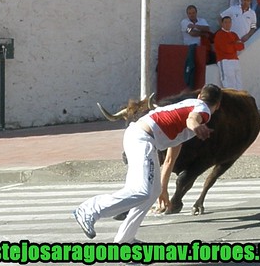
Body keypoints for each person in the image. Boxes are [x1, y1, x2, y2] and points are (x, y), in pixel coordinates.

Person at [73, 84, 222, 243]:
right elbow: (192, 119)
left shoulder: (187, 105)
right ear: (217, 105)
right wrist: (197, 126)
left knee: (151, 193)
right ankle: (89, 209)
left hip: (141, 137)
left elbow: (172, 152)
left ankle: (125, 240)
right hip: (142, 139)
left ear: (199, 95)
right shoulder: (203, 110)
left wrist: (163, 187)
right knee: (142, 191)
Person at [213, 16, 245, 90]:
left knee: (239, 83)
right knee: (228, 84)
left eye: (229, 22)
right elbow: (227, 49)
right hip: (225, 61)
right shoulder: (219, 34)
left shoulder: (234, 34)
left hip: (235, 60)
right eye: (225, 22)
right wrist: (235, 44)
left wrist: (232, 44)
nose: (228, 24)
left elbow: (241, 46)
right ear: (222, 24)